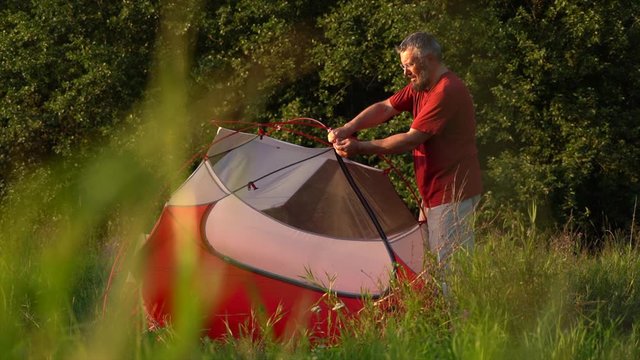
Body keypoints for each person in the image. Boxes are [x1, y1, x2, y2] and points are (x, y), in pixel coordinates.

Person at [328, 32, 482, 268]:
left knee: (453, 272)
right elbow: (386, 107)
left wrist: (359, 146)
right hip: (432, 193)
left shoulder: (446, 90)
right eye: (404, 65)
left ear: (429, 59)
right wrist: (348, 128)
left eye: (409, 64)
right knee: (431, 266)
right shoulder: (421, 86)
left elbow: (411, 140)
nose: (405, 72)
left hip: (452, 194)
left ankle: (461, 307)